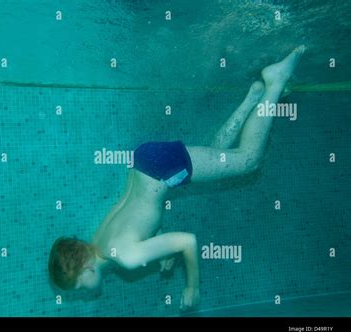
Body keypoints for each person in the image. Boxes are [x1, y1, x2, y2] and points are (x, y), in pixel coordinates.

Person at [49, 46, 305, 309]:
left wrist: (192, 286)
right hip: (145, 163)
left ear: (86, 269)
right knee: (217, 158)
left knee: (248, 160)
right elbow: (140, 220)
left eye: (78, 287)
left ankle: (275, 81)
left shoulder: (127, 258)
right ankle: (254, 97)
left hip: (160, 171)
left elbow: (187, 241)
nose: (83, 292)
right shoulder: (99, 240)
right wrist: (162, 245)